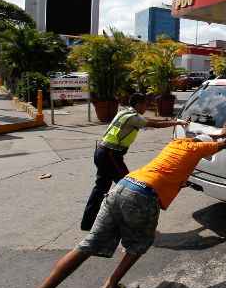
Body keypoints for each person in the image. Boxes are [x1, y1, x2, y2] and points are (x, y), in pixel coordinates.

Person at [16, 120, 226, 288]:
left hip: (123, 186)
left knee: (87, 245)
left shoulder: (177, 145)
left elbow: (205, 139)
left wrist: (219, 132)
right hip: (143, 196)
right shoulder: (197, 149)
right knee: (138, 245)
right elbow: (224, 145)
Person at [80, 93, 190, 231]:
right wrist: (178, 122)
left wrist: (170, 120)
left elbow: (147, 119)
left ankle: (88, 223)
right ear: (138, 104)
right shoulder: (132, 117)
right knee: (129, 188)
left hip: (102, 152)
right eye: (145, 104)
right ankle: (130, 223)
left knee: (101, 187)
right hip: (110, 154)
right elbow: (154, 125)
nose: (146, 107)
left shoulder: (125, 112)